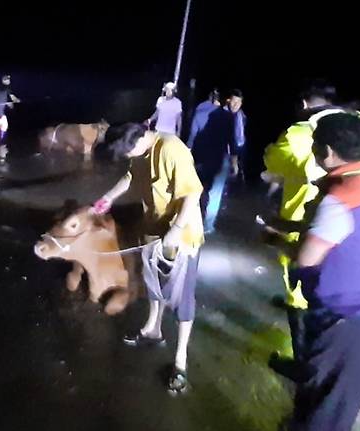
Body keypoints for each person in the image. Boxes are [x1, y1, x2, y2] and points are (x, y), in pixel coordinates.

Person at [262, 82, 360, 377]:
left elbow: (272, 162)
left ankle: (305, 364)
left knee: (302, 296)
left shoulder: (302, 135)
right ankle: (313, 366)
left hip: (329, 275)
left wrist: (277, 237)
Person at [287, 113, 360, 430]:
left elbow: (307, 258)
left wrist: (279, 242)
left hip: (348, 320)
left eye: (315, 145)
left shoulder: (340, 198)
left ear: (330, 152)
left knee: (327, 413)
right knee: (326, 398)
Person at [94, 123, 203, 395]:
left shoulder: (171, 148)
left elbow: (193, 193)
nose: (130, 156)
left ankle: (180, 362)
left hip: (182, 235)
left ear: (143, 135)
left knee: (182, 297)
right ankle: (152, 330)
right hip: (153, 229)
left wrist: (176, 232)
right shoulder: (139, 150)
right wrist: (107, 198)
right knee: (153, 283)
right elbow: (131, 178)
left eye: (130, 150)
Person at [189, 89, 239, 233]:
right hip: (219, 158)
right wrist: (234, 163)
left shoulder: (199, 112)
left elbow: (192, 137)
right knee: (215, 193)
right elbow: (232, 141)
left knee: (195, 189)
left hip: (199, 157)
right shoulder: (229, 117)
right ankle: (207, 225)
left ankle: (191, 220)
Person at [0, 74, 21, 160]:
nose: (9, 81)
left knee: (2, 127)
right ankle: (2, 149)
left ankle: (0, 147)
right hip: (0, 112)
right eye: (7, 79)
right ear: (3, 81)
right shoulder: (7, 88)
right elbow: (13, 99)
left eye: (9, 79)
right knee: (4, 128)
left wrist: (8, 104)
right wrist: (18, 101)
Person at [223, 89, 246, 180]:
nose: (235, 105)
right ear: (229, 101)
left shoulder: (242, 116)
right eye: (234, 101)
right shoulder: (221, 114)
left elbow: (241, 136)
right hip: (223, 154)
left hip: (237, 152)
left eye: (238, 102)